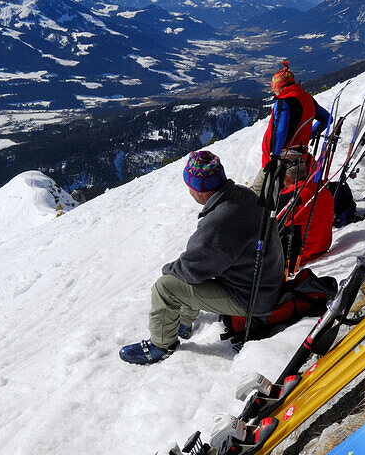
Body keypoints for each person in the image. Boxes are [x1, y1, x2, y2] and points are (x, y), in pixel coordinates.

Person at [120, 151, 285, 365]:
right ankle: (183, 323)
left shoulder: (220, 220)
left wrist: (169, 271)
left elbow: (189, 269)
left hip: (254, 298)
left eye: (189, 185)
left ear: (199, 190)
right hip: (265, 283)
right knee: (194, 274)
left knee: (166, 287)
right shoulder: (241, 195)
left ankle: (161, 345)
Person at [252, 60, 331, 196]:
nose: (274, 91)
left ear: (280, 87)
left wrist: (274, 156)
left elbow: (281, 130)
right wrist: (312, 133)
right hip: (301, 155)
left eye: (275, 88)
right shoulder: (307, 99)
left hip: (282, 157)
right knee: (291, 192)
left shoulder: (284, 102)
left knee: (259, 192)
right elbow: (327, 118)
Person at [279, 161, 334, 274]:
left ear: (285, 177)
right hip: (322, 248)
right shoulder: (324, 190)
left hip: (298, 258)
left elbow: (269, 226)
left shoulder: (291, 198)